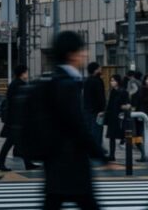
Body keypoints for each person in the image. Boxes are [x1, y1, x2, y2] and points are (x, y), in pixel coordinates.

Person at [42, 31, 108, 210]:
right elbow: (77, 126)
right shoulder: (68, 84)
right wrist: (99, 154)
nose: (85, 53)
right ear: (71, 54)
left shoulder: (53, 80)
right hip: (72, 163)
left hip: (55, 163)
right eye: (82, 50)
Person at [0, 66, 38, 171]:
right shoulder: (19, 85)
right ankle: (1, 164)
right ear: (22, 74)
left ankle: (27, 163)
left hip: (14, 119)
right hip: (17, 119)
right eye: (26, 72)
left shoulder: (14, 84)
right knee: (10, 142)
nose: (27, 74)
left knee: (18, 142)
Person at [104, 74, 129, 162]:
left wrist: (124, 107)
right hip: (112, 116)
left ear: (118, 81)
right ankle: (111, 155)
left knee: (123, 136)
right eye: (111, 81)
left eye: (113, 80)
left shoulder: (123, 91)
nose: (112, 82)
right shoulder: (112, 92)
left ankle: (127, 154)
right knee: (111, 137)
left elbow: (126, 104)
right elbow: (109, 105)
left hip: (119, 117)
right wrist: (105, 113)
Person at [83, 62, 106, 147]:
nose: (100, 69)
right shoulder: (97, 81)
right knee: (97, 132)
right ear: (95, 70)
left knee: (90, 132)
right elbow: (100, 97)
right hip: (97, 112)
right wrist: (102, 110)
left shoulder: (87, 80)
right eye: (99, 68)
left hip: (87, 111)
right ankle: (96, 152)